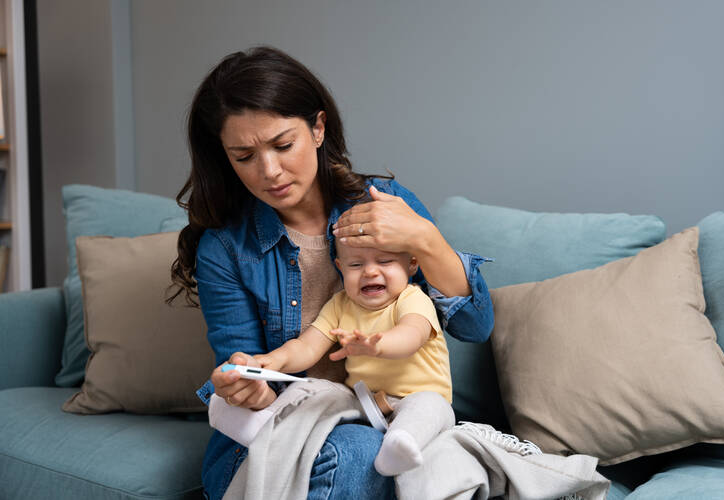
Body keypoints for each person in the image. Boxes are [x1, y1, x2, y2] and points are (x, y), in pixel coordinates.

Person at [169, 46, 494, 500]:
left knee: (366, 450)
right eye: (244, 156)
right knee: (354, 453)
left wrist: (426, 239)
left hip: (391, 419)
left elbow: (475, 327)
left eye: (283, 145)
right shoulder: (224, 248)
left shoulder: (384, 203)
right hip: (280, 429)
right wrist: (247, 386)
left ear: (318, 128)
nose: (270, 171)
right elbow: (258, 377)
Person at [243, 239, 455, 477]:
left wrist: (377, 345)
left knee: (432, 408)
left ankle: (399, 446)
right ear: (340, 267)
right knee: (318, 389)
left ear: (412, 264)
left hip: (417, 397)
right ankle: (269, 424)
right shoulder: (340, 304)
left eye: (385, 261)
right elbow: (307, 347)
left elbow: (411, 335)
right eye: (355, 265)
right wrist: (275, 360)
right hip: (365, 403)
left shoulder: (412, 299)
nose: (370, 271)